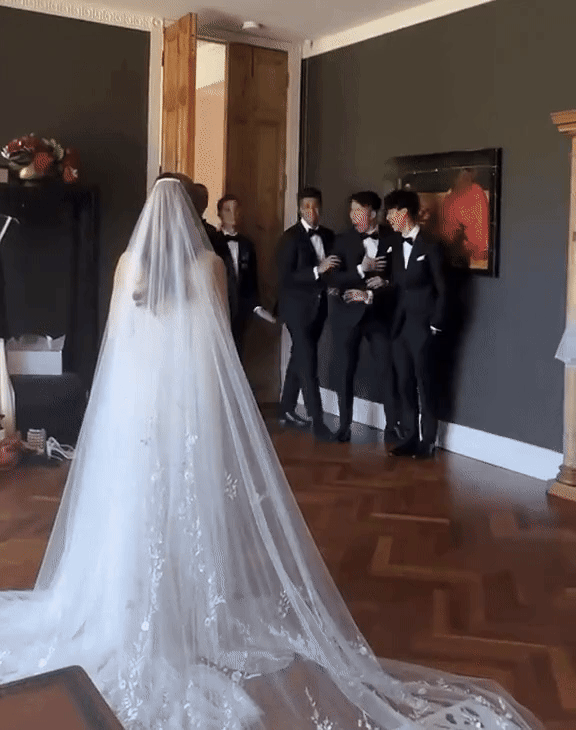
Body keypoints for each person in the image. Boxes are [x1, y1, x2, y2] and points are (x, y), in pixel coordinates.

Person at [0, 177, 543, 730]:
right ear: (192, 216)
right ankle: (189, 609)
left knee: (135, 503)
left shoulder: (125, 266)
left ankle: (129, 605)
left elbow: (118, 343)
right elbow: (219, 346)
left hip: (136, 406)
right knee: (189, 500)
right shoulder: (207, 266)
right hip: (187, 403)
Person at [328, 191, 400, 443]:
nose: (352, 216)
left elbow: (401, 277)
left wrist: (384, 283)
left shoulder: (393, 238)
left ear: (372, 213)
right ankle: (344, 426)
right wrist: (361, 270)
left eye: (358, 210)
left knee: (388, 369)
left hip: (380, 314)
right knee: (345, 371)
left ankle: (392, 426)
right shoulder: (341, 240)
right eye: (351, 210)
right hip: (348, 314)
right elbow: (332, 278)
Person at [384, 189, 447, 459]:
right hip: (400, 327)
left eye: (390, 212)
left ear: (404, 213)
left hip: (423, 328)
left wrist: (435, 326)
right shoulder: (395, 245)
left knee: (425, 384)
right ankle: (410, 437)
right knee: (404, 383)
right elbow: (397, 285)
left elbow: (444, 290)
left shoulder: (432, 245)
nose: (387, 218)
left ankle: (428, 440)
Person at [277, 187, 337, 441]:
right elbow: (285, 277)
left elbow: (335, 269)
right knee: (308, 360)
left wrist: (333, 283)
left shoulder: (329, 235)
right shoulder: (289, 238)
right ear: (300, 209)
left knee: (300, 355)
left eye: (315, 206)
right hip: (295, 308)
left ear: (321, 207)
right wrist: (316, 270)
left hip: (319, 307)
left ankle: (286, 408)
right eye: (306, 207)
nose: (311, 212)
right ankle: (318, 420)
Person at [212, 194, 263, 357]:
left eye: (236, 209)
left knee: (239, 351)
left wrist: (255, 306)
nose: (232, 214)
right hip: (219, 307)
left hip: (241, 309)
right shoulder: (212, 242)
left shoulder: (248, 245)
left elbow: (252, 280)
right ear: (219, 214)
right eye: (227, 210)